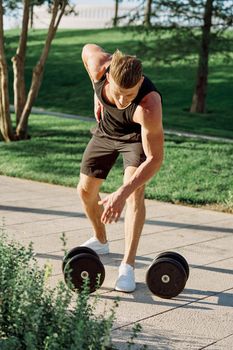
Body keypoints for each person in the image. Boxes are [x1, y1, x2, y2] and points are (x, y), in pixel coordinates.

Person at [77, 44, 164, 293]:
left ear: (140, 83)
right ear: (108, 77)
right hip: (106, 131)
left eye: (131, 94)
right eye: (119, 93)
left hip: (135, 138)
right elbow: (86, 50)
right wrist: (97, 95)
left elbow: (155, 159)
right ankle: (101, 240)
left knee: (135, 194)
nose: (125, 100)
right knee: (85, 191)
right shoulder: (98, 67)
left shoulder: (149, 105)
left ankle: (128, 265)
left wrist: (121, 193)